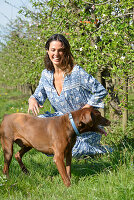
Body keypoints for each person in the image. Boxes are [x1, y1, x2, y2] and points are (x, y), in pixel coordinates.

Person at [28, 33, 111, 158]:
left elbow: (100, 90)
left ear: (66, 52)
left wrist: (86, 109)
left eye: (61, 50)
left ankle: (102, 150)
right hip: (62, 125)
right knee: (38, 123)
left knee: (73, 151)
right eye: (53, 50)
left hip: (83, 126)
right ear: (47, 51)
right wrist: (32, 99)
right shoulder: (46, 75)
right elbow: (38, 95)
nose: (56, 54)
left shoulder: (76, 72)